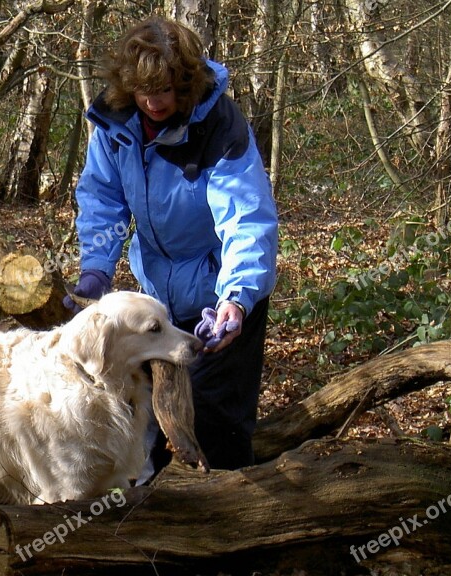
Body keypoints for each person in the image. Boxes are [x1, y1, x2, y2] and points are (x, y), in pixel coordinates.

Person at [64, 17, 278, 472]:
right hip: (156, 305)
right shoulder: (114, 123)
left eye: (166, 90)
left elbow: (246, 218)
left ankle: (230, 526)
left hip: (219, 303)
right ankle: (154, 527)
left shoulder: (218, 126)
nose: (154, 101)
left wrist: (236, 301)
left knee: (216, 424)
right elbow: (102, 197)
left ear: (186, 85)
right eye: (144, 90)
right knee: (151, 424)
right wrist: (97, 270)